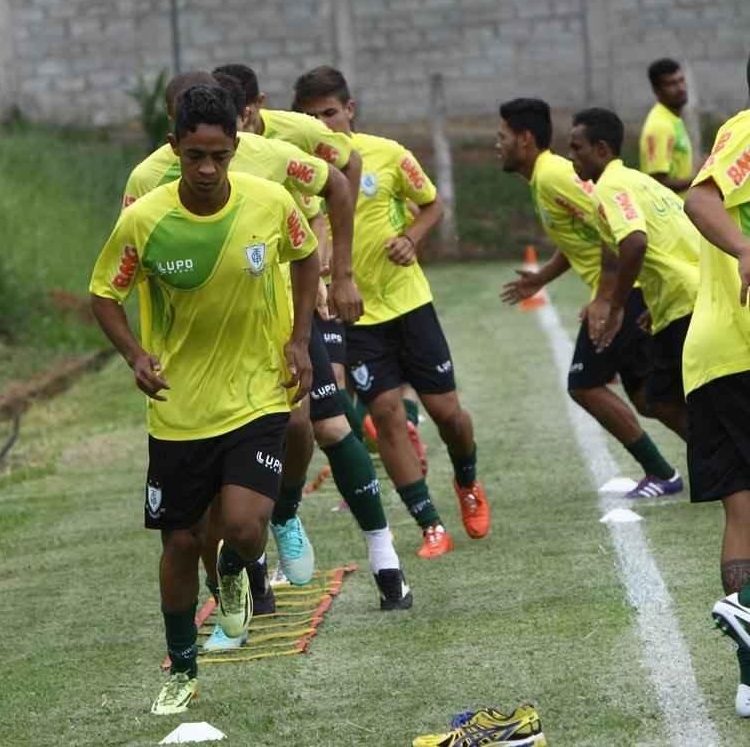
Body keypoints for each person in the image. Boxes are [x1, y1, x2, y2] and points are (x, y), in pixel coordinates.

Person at [91, 84, 320, 714]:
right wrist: (136, 355)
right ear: (175, 148)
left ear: (236, 147)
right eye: (195, 155)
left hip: (257, 395)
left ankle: (243, 569)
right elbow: (103, 295)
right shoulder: (146, 218)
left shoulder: (270, 202)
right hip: (179, 408)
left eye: (219, 155)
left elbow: (305, 256)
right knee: (182, 545)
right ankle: (182, 668)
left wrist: (300, 339)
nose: (207, 169)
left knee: (245, 525)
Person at [292, 65, 487, 558]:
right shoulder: (296, 172)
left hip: (408, 303)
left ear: (349, 110)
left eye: (330, 113)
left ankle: (467, 480)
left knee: (448, 414)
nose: (323, 124)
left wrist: (411, 238)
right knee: (384, 412)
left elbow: (432, 204)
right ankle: (430, 524)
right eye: (311, 117)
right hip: (352, 314)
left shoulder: (387, 154)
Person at [497, 98, 684, 498]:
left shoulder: (554, 178)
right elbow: (583, 235)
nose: (498, 145)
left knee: (585, 384)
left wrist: (604, 298)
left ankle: (669, 471)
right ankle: (713, 461)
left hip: (628, 292)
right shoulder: (545, 179)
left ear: (525, 139)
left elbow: (614, 229)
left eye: (502, 137)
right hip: (627, 291)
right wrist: (540, 278)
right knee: (649, 398)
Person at [681, 66, 750, 716]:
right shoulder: (748, 133)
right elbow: (698, 199)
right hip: (742, 348)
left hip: (715, 355)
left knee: (742, 512)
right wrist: (745, 247)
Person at [568, 108, 699, 438]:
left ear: (601, 149)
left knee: (666, 400)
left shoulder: (610, 187)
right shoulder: (639, 180)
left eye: (576, 148)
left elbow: (635, 242)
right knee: (668, 397)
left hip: (685, 301)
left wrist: (616, 306)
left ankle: (728, 465)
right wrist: (656, 304)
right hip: (695, 295)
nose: (571, 158)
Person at [639, 58, 695, 198]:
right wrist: (698, 179)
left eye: (681, 80)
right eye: (671, 84)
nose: (680, 88)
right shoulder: (660, 125)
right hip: (667, 214)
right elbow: (657, 182)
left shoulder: (673, 118)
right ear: (657, 90)